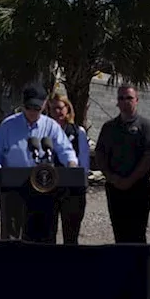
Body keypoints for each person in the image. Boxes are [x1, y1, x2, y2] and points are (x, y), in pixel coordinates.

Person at [0, 85, 78, 243]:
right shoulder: (8, 125)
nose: (33, 112)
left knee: (43, 234)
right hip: (13, 188)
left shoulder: (51, 126)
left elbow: (66, 150)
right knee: (12, 234)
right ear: (23, 105)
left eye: (37, 108)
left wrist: (71, 164)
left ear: (44, 104)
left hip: (44, 187)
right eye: (29, 107)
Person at [94, 84, 150, 244]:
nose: (125, 101)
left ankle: (139, 268)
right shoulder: (109, 127)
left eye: (129, 98)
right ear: (117, 102)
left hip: (138, 188)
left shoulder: (146, 126)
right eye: (121, 98)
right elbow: (100, 154)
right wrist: (111, 177)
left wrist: (130, 180)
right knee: (119, 231)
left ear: (136, 100)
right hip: (114, 187)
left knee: (137, 232)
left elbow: (149, 156)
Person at [48, 93, 91, 245]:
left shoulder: (78, 132)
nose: (57, 112)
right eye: (53, 109)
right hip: (49, 188)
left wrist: (81, 182)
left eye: (60, 108)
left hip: (72, 190)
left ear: (67, 109)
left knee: (71, 234)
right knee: (47, 233)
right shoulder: (45, 132)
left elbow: (84, 162)